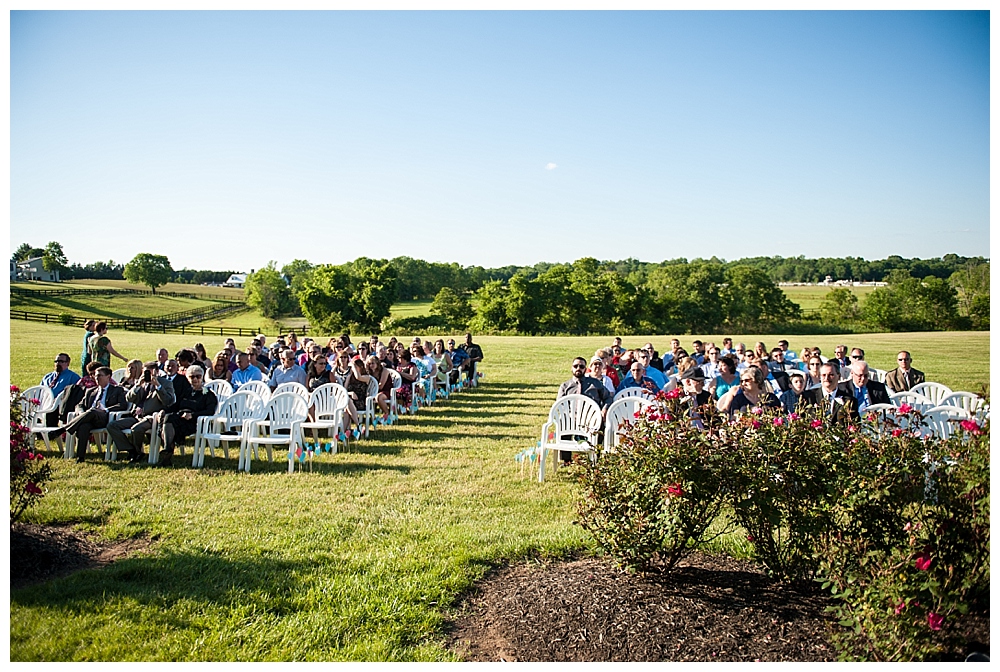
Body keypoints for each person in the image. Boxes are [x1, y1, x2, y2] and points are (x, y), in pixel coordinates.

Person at [46, 367, 129, 462]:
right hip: (89, 418)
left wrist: (105, 410)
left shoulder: (116, 390)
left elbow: (122, 405)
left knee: (92, 411)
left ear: (108, 377)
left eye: (99, 375)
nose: (96, 378)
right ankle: (80, 457)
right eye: (95, 375)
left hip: (105, 418)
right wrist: (81, 413)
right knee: (84, 426)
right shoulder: (91, 391)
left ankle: (63, 429)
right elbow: (80, 405)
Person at [107, 361, 177, 463]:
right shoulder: (141, 383)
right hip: (136, 416)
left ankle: (138, 452)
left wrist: (158, 386)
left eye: (150, 372)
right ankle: (131, 450)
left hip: (151, 417)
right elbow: (129, 398)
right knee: (112, 426)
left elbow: (168, 401)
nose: (147, 375)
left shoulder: (166, 383)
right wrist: (138, 386)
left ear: (157, 372)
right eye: (145, 372)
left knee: (136, 429)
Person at [157, 366, 218, 467]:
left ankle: (167, 450)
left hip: (196, 422)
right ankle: (167, 451)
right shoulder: (186, 392)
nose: (195, 379)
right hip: (180, 419)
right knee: (167, 417)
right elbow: (175, 405)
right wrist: (164, 410)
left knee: (169, 420)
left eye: (198, 376)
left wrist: (192, 415)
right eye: (192, 377)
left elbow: (210, 411)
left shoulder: (208, 394)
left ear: (202, 377)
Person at [556, 357, 612, 464]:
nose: (578, 368)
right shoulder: (565, 386)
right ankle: (566, 460)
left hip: (592, 418)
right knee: (563, 424)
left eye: (581, 366)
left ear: (585, 369)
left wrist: (604, 409)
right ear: (571, 368)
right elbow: (559, 404)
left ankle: (596, 458)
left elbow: (608, 397)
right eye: (575, 366)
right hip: (572, 418)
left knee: (600, 426)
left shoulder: (595, 384)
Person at [716, 365, 781, 416]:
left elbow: (778, 416)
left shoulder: (771, 398)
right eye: (742, 381)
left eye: (747, 380)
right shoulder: (738, 398)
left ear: (757, 380)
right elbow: (734, 417)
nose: (744, 383)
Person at [40, 353, 82, 427]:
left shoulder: (73, 377)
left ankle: (51, 431)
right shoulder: (47, 377)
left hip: (60, 404)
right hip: (45, 402)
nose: (58, 363)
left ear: (68, 363)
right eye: (56, 361)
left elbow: (75, 394)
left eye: (61, 362)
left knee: (52, 409)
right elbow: (40, 391)